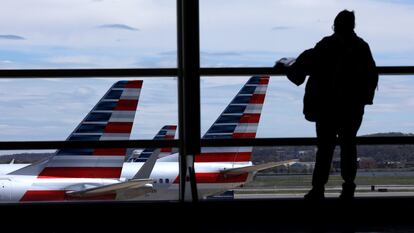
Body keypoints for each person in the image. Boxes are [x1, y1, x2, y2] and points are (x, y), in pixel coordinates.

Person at [275, 10, 378, 200]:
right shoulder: (362, 47)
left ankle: (318, 188)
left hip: (326, 108)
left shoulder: (326, 46)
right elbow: (371, 77)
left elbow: (300, 70)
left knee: (325, 149)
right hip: (352, 108)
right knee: (348, 146)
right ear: (353, 26)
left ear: (335, 25)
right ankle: (348, 187)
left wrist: (285, 66)